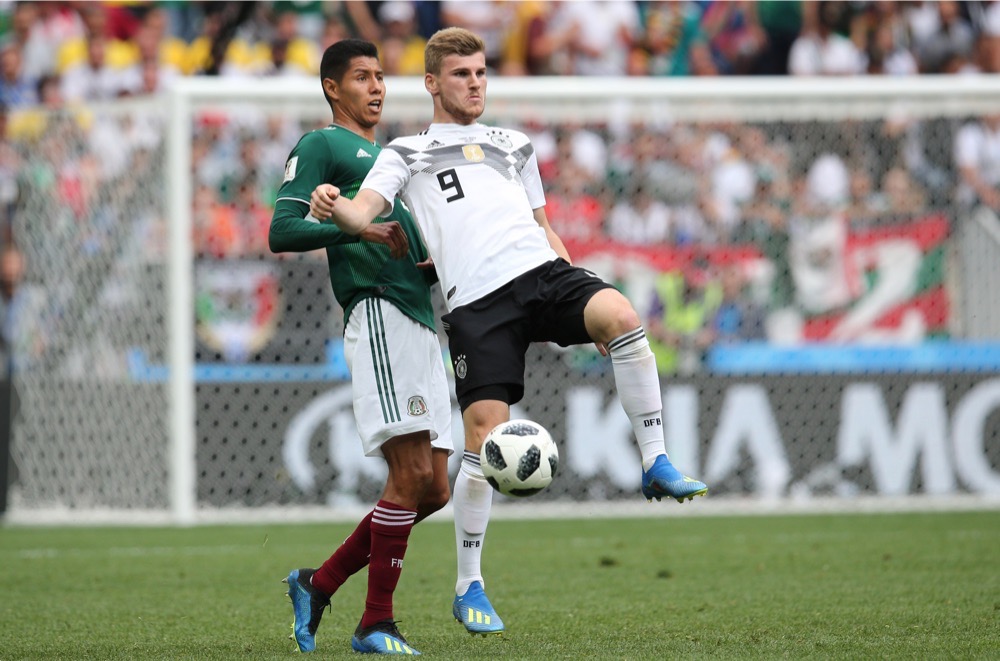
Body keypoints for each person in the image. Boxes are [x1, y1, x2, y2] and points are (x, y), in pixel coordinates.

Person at [309, 27, 708, 636]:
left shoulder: (514, 145)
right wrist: (334, 206)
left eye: (481, 73)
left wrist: (581, 294)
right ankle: (470, 584)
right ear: (433, 83)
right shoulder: (405, 153)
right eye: (462, 74)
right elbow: (362, 212)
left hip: (543, 274)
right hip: (477, 304)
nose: (475, 84)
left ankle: (655, 461)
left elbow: (543, 228)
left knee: (624, 319)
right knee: (482, 438)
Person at [269, 38, 453, 656]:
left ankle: (316, 584)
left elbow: (412, 249)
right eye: (361, 78)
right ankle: (375, 622)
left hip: (418, 315)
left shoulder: (389, 157)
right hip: (376, 308)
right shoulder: (323, 144)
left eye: (380, 77)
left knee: (436, 488)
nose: (376, 87)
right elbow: (282, 228)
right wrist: (354, 225)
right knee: (408, 475)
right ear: (332, 88)